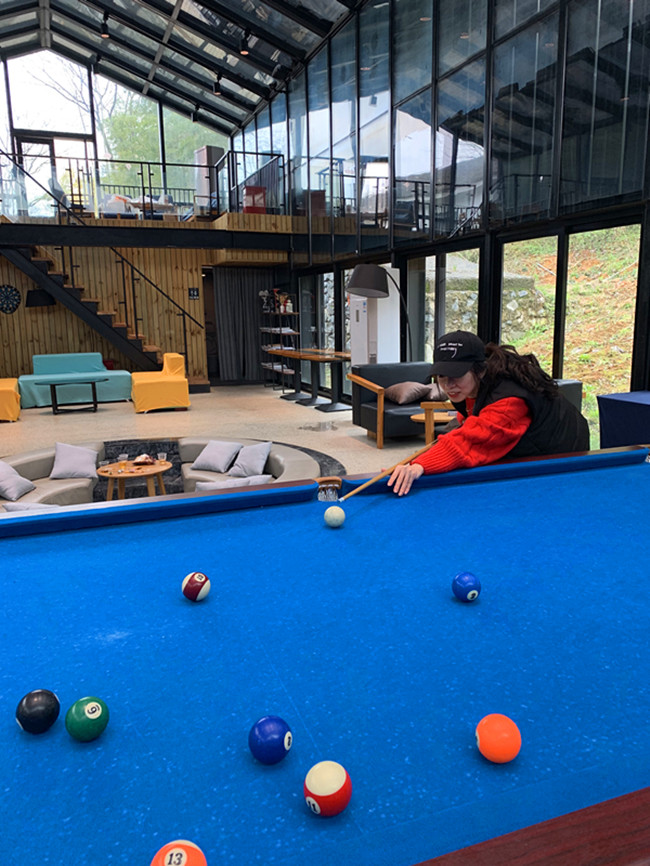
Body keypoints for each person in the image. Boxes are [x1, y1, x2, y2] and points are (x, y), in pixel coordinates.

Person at [388, 330, 590, 496]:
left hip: (565, 456)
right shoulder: (473, 385)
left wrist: (420, 465)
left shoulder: (509, 403)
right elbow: (470, 417)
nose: (448, 385)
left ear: (480, 370)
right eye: (441, 375)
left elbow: (470, 441)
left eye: (457, 375)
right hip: (535, 443)